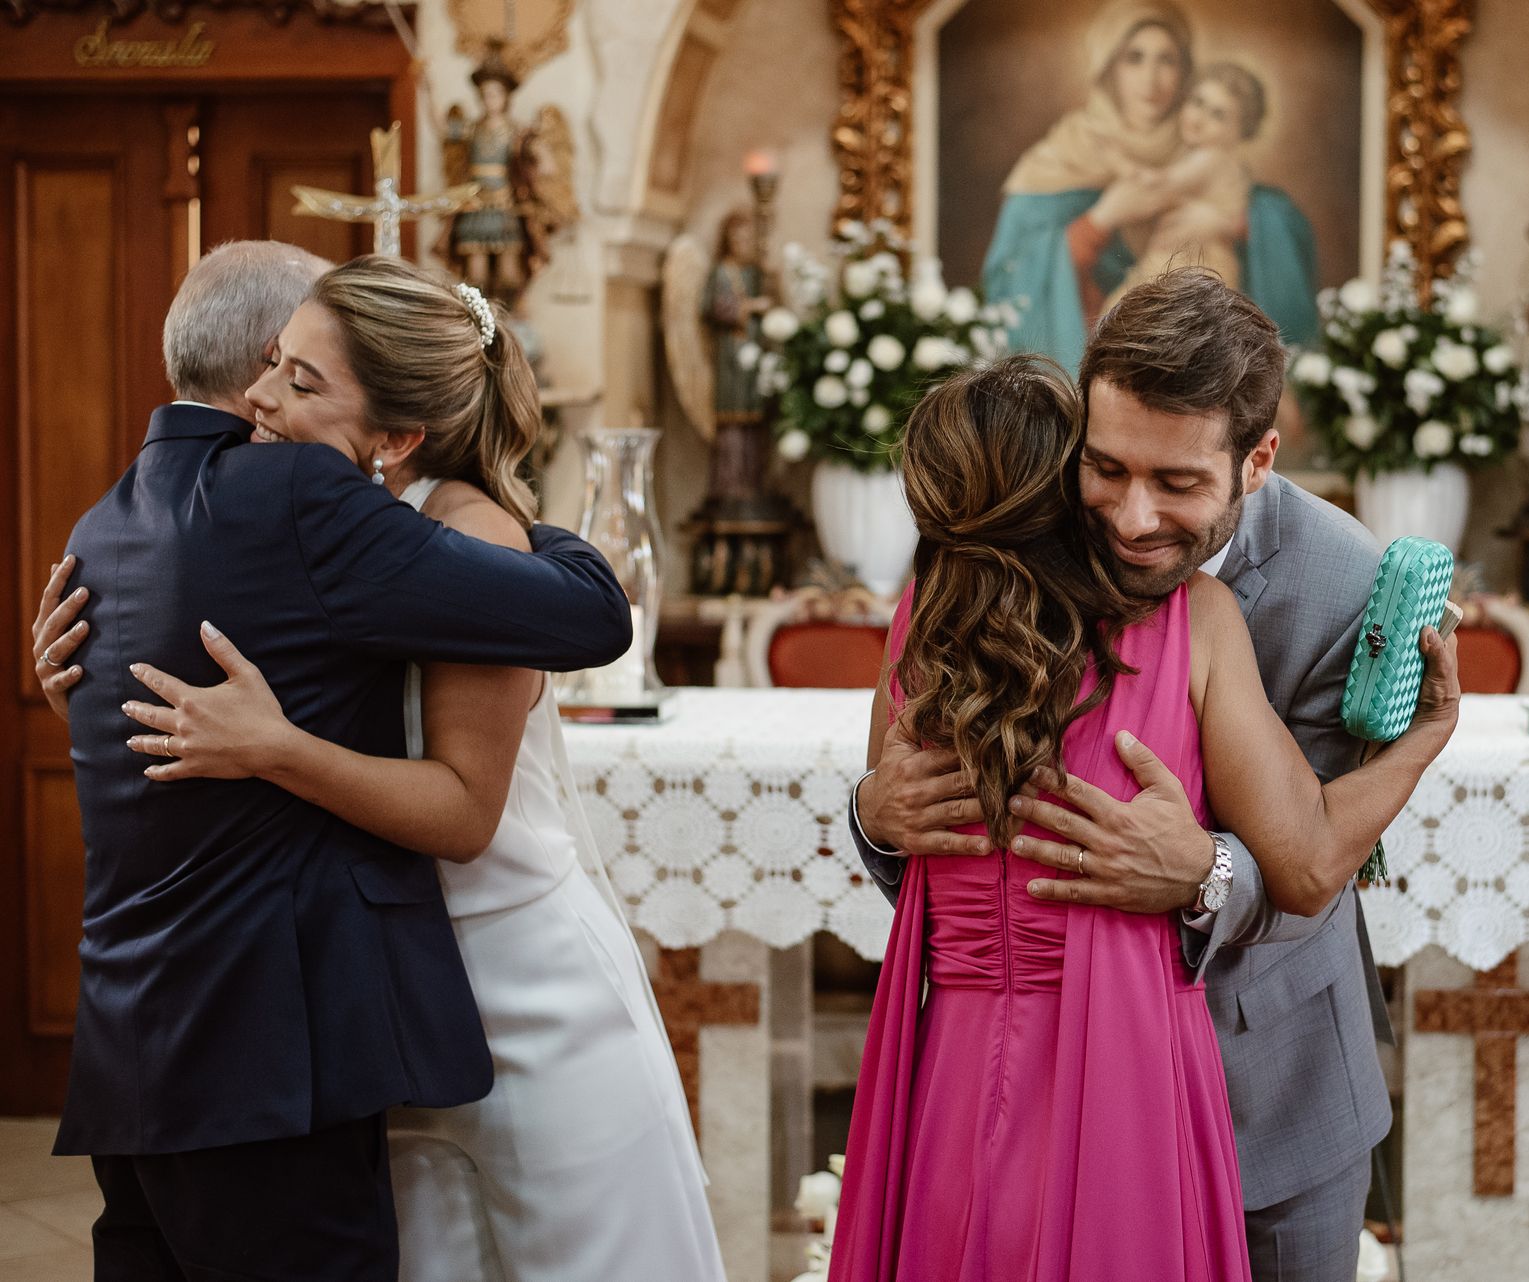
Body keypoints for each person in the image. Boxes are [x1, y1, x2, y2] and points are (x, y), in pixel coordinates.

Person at [38, 256, 725, 1282]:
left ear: (401, 434)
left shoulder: (119, 519)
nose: (268, 402)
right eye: (275, 366)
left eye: (305, 381)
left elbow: (530, 707)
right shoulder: (313, 516)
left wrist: (271, 744)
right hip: (324, 1025)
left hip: (460, 987)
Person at [831, 341, 1457, 1280]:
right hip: (1135, 1074)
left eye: (1173, 480)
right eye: (1106, 469)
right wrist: (1429, 733)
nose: (1131, 515)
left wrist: (1203, 869)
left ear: (1257, 460)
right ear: (1072, 454)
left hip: (975, 1092)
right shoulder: (1191, 620)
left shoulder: (925, 619)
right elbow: (1313, 853)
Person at [981, 0, 1317, 370]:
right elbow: (1011, 271)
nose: (1151, 80)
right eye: (1134, 58)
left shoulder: (1200, 144)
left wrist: (1229, 224)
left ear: (1185, 70)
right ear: (1109, 67)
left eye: (1167, 61)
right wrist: (1100, 221)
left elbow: (1274, 216)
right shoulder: (1069, 149)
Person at [1111, 61, 1265, 297]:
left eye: (1218, 115)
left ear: (1239, 131)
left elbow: (1161, 184)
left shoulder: (1211, 159)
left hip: (1196, 267)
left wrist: (1122, 166)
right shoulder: (1219, 162)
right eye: (1197, 102)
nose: (1198, 118)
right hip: (1190, 266)